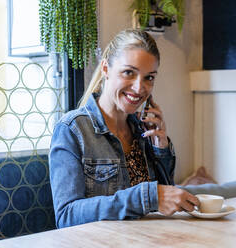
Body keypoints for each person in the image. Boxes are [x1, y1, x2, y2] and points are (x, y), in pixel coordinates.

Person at [49, 29, 200, 228]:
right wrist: (146, 197)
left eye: (149, 77)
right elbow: (66, 217)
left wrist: (161, 150)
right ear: (105, 69)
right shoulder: (72, 130)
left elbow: (165, 205)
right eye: (129, 72)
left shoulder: (144, 130)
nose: (139, 88)